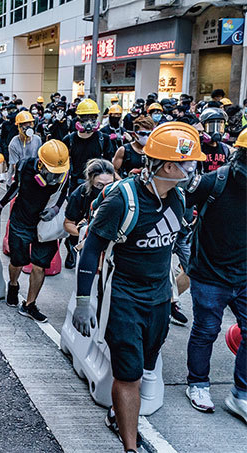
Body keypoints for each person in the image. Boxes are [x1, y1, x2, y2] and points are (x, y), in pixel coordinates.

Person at [72, 122, 204, 452]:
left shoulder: (180, 199)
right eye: (187, 164)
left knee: (146, 365)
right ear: (169, 166)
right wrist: (83, 300)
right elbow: (92, 249)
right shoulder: (122, 199)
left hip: (159, 295)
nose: (192, 170)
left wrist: (182, 276)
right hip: (124, 295)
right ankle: (130, 446)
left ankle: (121, 414)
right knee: (128, 373)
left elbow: (181, 239)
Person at [183, 128, 246, 420]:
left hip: (244, 276)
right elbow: (179, 207)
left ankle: (241, 393)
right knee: (207, 330)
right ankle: (198, 384)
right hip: (209, 274)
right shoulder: (214, 182)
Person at [0, 140, 71, 322]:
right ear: (41, 163)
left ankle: (30, 304)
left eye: (58, 172)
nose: (55, 175)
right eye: (51, 171)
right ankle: (13, 284)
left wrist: (56, 209)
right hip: (22, 219)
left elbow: (63, 192)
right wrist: (0, 204)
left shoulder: (65, 171)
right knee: (17, 260)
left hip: (45, 224)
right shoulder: (26, 166)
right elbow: (16, 187)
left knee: (39, 265)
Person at [63, 159, 115, 259]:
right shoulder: (79, 195)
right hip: (82, 242)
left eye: (109, 185)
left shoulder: (119, 193)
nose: (105, 190)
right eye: (100, 185)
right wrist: (84, 231)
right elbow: (68, 224)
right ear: (91, 181)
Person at [63, 98, 115, 191]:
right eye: (85, 117)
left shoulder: (104, 139)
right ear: (78, 118)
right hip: (75, 187)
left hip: (98, 187)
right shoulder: (69, 140)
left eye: (93, 117)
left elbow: (109, 165)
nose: (89, 121)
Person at [7, 110, 42, 178]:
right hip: (18, 176)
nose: (28, 126)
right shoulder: (14, 143)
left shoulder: (37, 140)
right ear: (19, 127)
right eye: (24, 124)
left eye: (29, 123)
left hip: (33, 176)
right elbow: (15, 165)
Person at [198, 107, 231, 173]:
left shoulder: (225, 149)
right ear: (203, 127)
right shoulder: (198, 149)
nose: (216, 132)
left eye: (220, 127)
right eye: (211, 127)